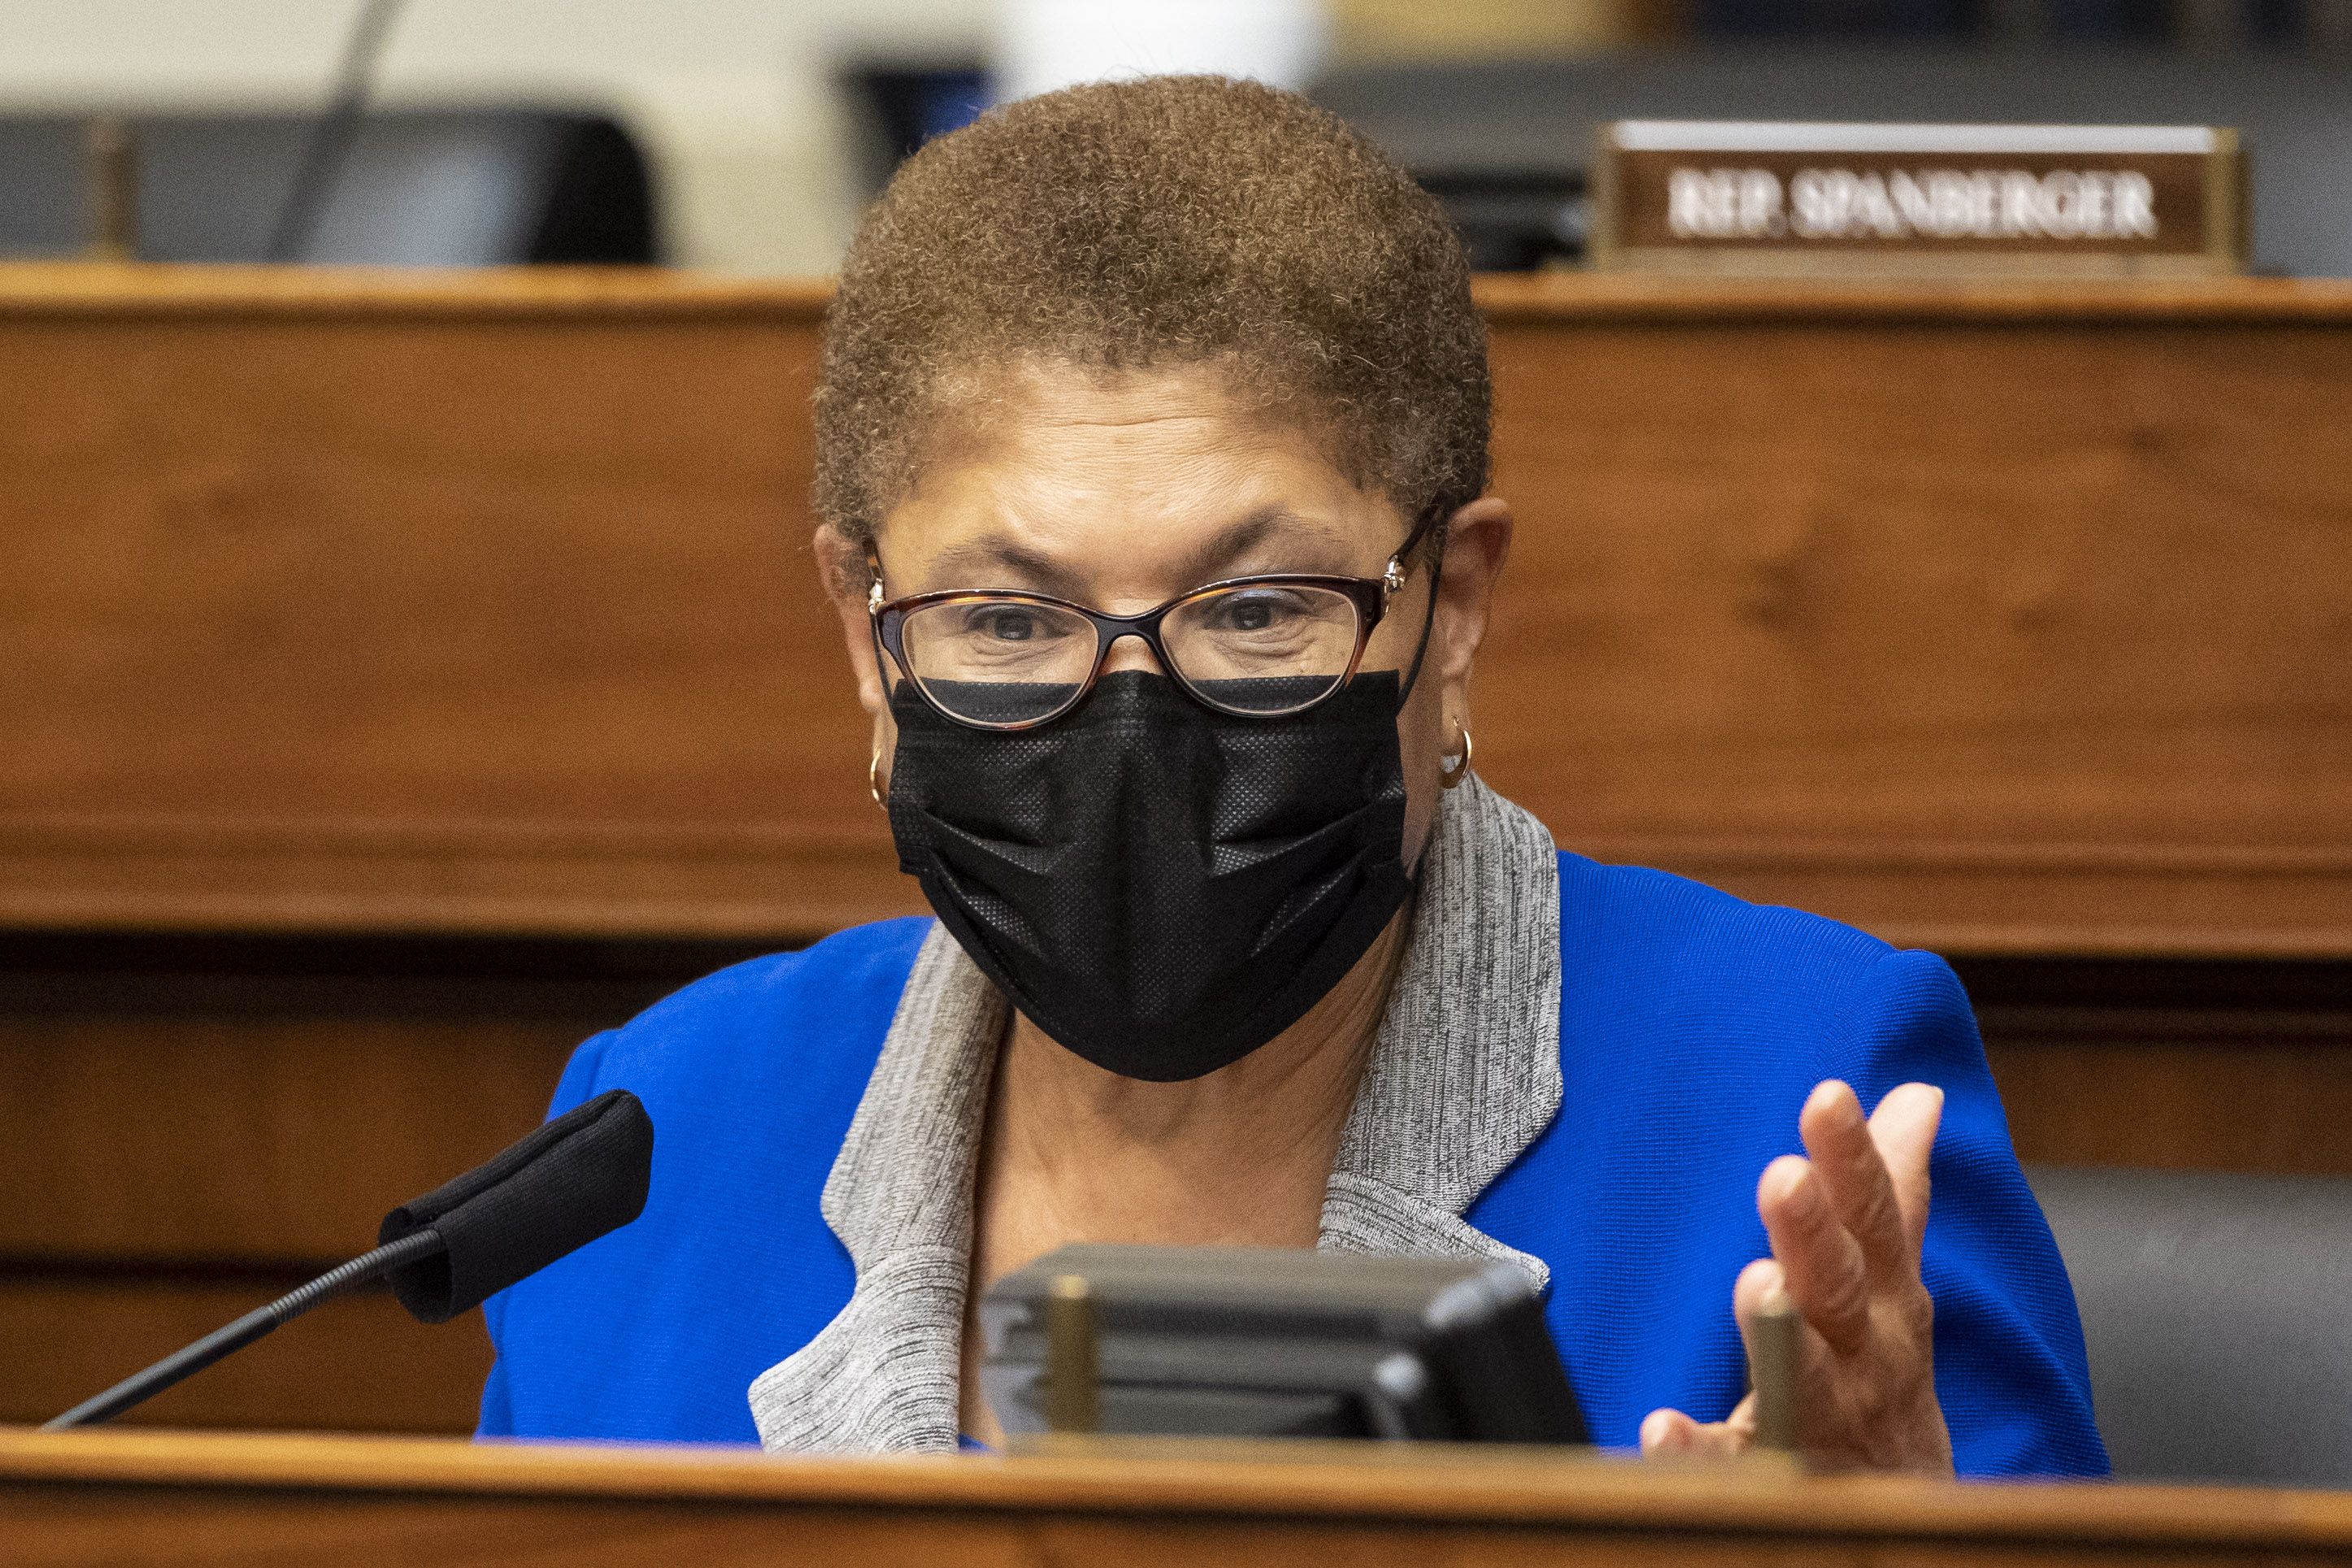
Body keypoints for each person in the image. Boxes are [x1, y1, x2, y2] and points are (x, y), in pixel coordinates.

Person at [479, 75, 2106, 1475]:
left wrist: (1906, 1547)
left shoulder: (1790, 1093)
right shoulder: (666, 1130)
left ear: (1450, 602)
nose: (1129, 717)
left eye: (1257, 609)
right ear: (864, 629)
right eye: (1004, 617)